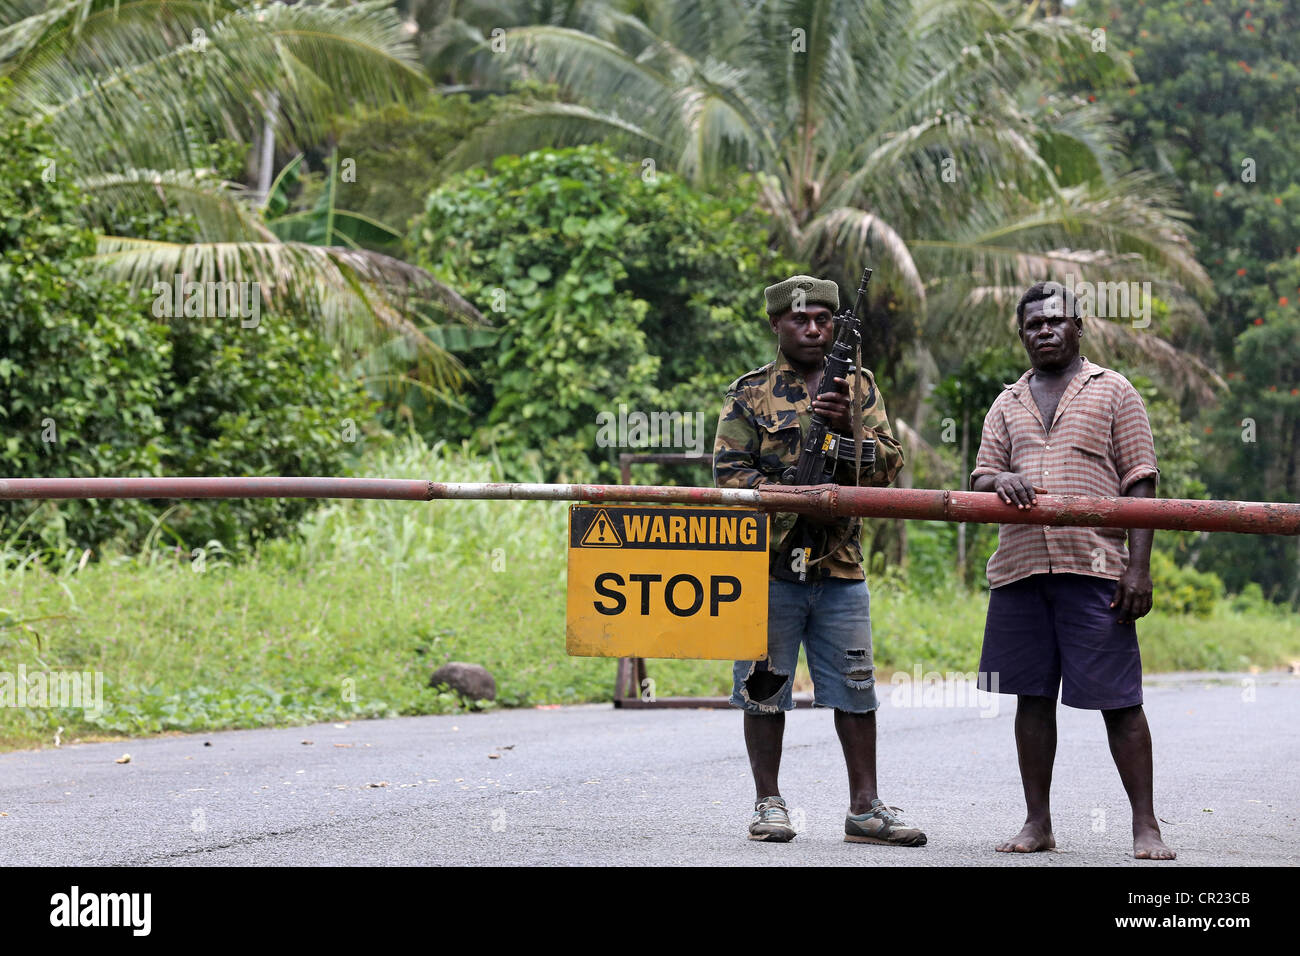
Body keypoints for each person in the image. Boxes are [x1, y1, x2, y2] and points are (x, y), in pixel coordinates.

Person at [713, 273, 926, 846]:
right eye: (800, 319)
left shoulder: (858, 388)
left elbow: (888, 465)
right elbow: (731, 477)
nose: (813, 329)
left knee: (856, 688)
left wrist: (844, 429)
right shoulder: (749, 393)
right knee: (763, 687)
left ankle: (864, 808)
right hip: (769, 568)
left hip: (839, 565)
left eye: (823, 320)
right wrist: (794, 494)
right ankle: (769, 803)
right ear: (776, 324)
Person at [971, 280, 1175, 860]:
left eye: (1055, 321)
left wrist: (1138, 569)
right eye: (1033, 324)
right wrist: (999, 480)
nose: (1044, 331)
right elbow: (980, 477)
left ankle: (1146, 825)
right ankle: (1038, 823)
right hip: (1020, 569)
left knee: (1120, 700)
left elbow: (1142, 481)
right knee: (1029, 699)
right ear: (1022, 334)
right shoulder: (1006, 402)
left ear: (1078, 327)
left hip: (1096, 568)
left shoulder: (1114, 391)